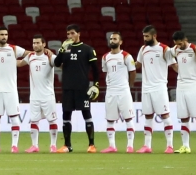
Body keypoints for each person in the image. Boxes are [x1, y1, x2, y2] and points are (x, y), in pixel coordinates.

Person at [54, 24, 100, 153]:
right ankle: (67, 145)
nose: (70, 36)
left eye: (72, 33)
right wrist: (62, 49)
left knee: (86, 114)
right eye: (68, 34)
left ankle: (91, 145)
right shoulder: (65, 49)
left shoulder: (87, 49)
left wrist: (96, 84)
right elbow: (57, 63)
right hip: (67, 87)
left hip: (82, 88)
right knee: (66, 115)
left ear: (79, 34)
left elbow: (96, 70)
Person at [134, 25, 175, 154]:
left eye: (147, 36)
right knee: (148, 116)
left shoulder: (164, 49)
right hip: (146, 88)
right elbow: (137, 65)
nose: (145, 39)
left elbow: (174, 65)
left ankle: (170, 145)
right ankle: (147, 145)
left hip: (159, 87)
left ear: (154, 36)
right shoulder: (143, 49)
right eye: (144, 36)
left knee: (165, 115)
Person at [170, 31, 196, 153]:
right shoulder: (175, 50)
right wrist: (179, 71)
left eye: (180, 43)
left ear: (185, 39)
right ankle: (185, 146)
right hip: (180, 86)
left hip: (193, 85)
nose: (178, 45)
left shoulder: (195, 49)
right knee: (184, 117)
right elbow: (171, 61)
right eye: (176, 43)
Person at [101, 32, 137, 153]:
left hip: (123, 91)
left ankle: (130, 146)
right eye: (111, 39)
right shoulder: (105, 57)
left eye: (115, 39)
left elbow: (133, 72)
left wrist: (129, 85)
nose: (112, 40)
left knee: (128, 118)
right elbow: (106, 72)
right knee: (110, 120)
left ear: (120, 42)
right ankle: (112, 146)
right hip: (111, 91)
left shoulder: (126, 56)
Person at [25, 36, 59, 153]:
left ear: (44, 44)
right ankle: (34, 145)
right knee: (34, 120)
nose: (35, 45)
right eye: (34, 43)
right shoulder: (30, 57)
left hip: (47, 95)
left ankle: (53, 145)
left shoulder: (50, 57)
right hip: (34, 96)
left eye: (38, 43)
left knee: (52, 120)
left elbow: (60, 64)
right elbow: (19, 63)